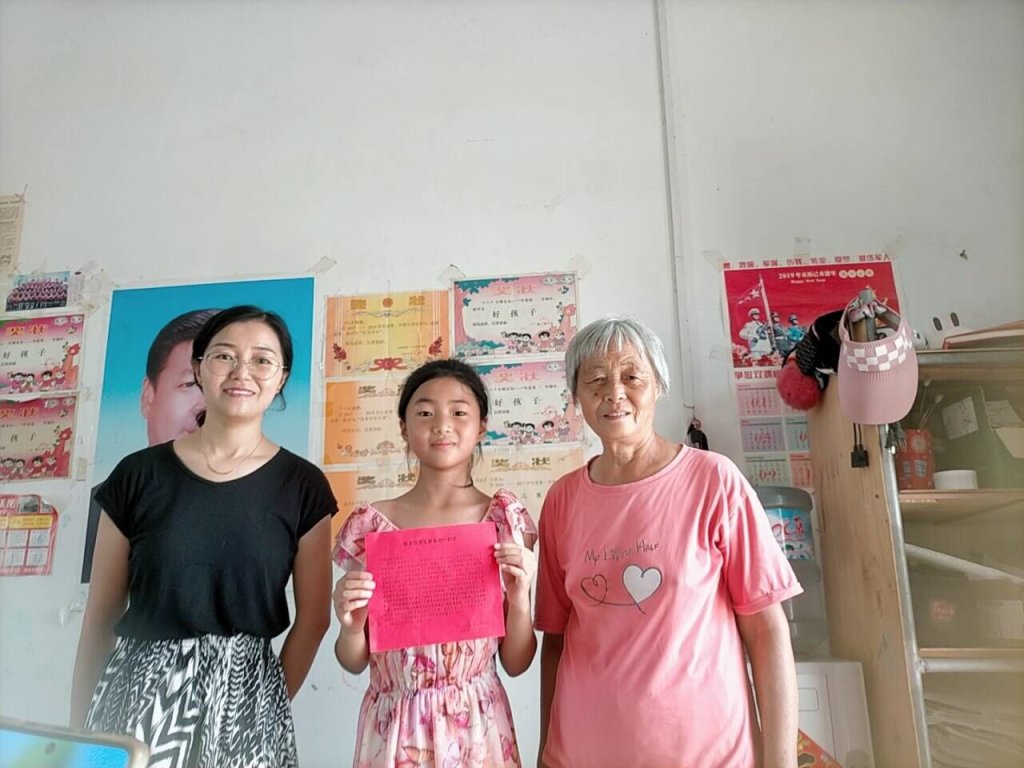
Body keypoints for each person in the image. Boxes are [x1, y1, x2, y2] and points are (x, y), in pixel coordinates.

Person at [71, 305, 335, 767]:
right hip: (135, 701)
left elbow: (313, 620)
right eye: (224, 355)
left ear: (281, 379)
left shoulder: (302, 485)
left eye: (262, 360)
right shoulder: (137, 475)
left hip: (248, 703)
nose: (241, 371)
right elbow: (101, 616)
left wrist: (262, 706)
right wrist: (79, 736)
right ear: (199, 368)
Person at [535, 316, 801, 768]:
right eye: (595, 380)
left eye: (632, 377)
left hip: (710, 755)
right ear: (575, 396)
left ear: (658, 385)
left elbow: (766, 631)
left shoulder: (714, 481)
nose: (614, 392)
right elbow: (556, 641)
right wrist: (546, 752)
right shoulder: (562, 499)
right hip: (580, 755)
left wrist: (781, 762)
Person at [333, 358, 537, 768]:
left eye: (459, 412)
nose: (442, 425)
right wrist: (351, 627)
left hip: (477, 728)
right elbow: (353, 660)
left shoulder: (502, 521)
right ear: (404, 428)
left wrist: (519, 602)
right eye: (425, 413)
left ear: (481, 426)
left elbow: (516, 663)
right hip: (395, 729)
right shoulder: (373, 526)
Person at [81, 308, 219, 582]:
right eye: (190, 383)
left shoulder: (268, 504)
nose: (205, 407)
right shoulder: (100, 510)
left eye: (226, 390)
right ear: (148, 396)